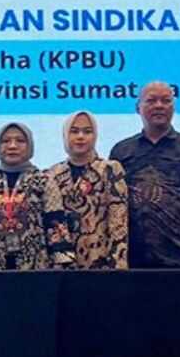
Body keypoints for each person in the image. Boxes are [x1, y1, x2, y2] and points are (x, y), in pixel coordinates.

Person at [109, 81, 180, 269]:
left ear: (174, 107)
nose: (159, 106)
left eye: (166, 101)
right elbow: (112, 208)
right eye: (151, 100)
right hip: (131, 262)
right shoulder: (121, 151)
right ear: (138, 108)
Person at [0, 122, 74, 271]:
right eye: (5, 141)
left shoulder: (43, 181)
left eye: (20, 141)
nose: (12, 146)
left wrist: (60, 266)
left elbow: (56, 225)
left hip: (36, 270)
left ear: (30, 146)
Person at [45, 111, 129, 269]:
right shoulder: (53, 174)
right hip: (62, 266)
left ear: (95, 136)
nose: (80, 136)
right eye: (74, 131)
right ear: (65, 135)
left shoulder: (109, 169)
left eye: (87, 131)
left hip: (100, 262)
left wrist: (118, 267)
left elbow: (118, 222)